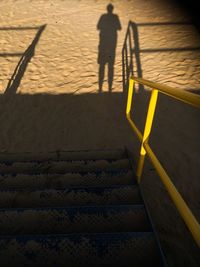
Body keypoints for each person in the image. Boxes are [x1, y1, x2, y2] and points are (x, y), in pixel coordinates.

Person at [97, 4, 121, 92]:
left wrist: (105, 27)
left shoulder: (103, 17)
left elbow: (98, 27)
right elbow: (119, 28)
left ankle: (100, 88)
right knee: (111, 66)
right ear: (112, 9)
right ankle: (110, 88)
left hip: (103, 45)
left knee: (102, 66)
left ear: (107, 9)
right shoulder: (115, 17)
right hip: (111, 46)